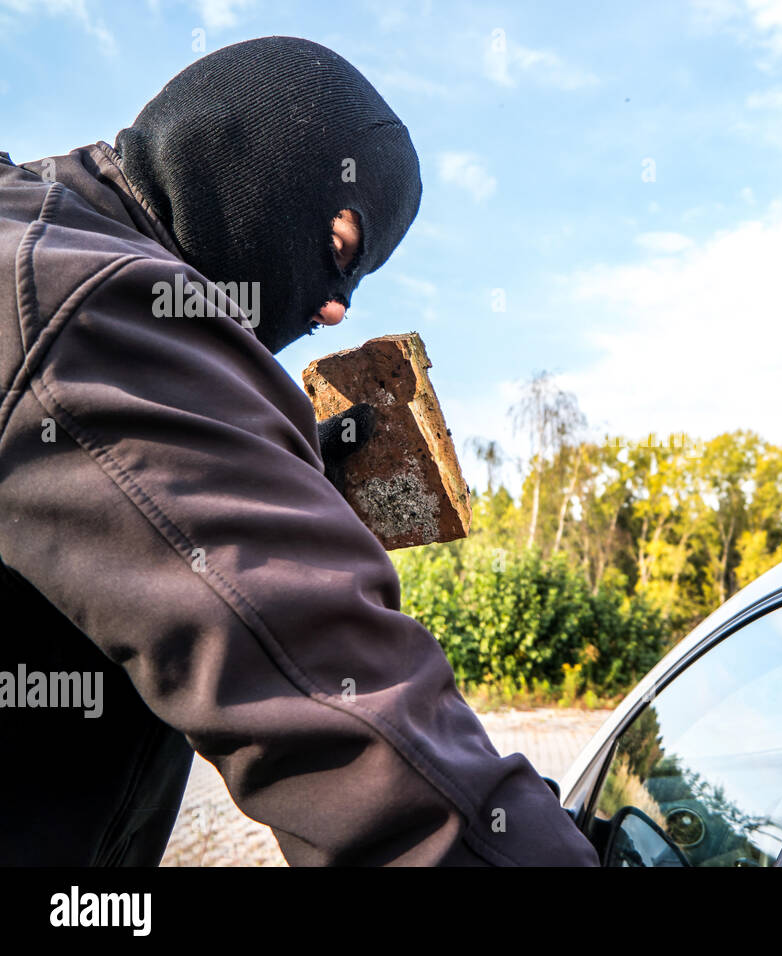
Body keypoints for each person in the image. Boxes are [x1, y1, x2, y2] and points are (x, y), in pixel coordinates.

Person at [0, 35, 600, 866]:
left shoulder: (35, 245)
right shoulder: (96, 302)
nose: (332, 310)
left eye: (356, 283)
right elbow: (356, 728)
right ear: (247, 158)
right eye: (341, 247)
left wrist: (275, 478)